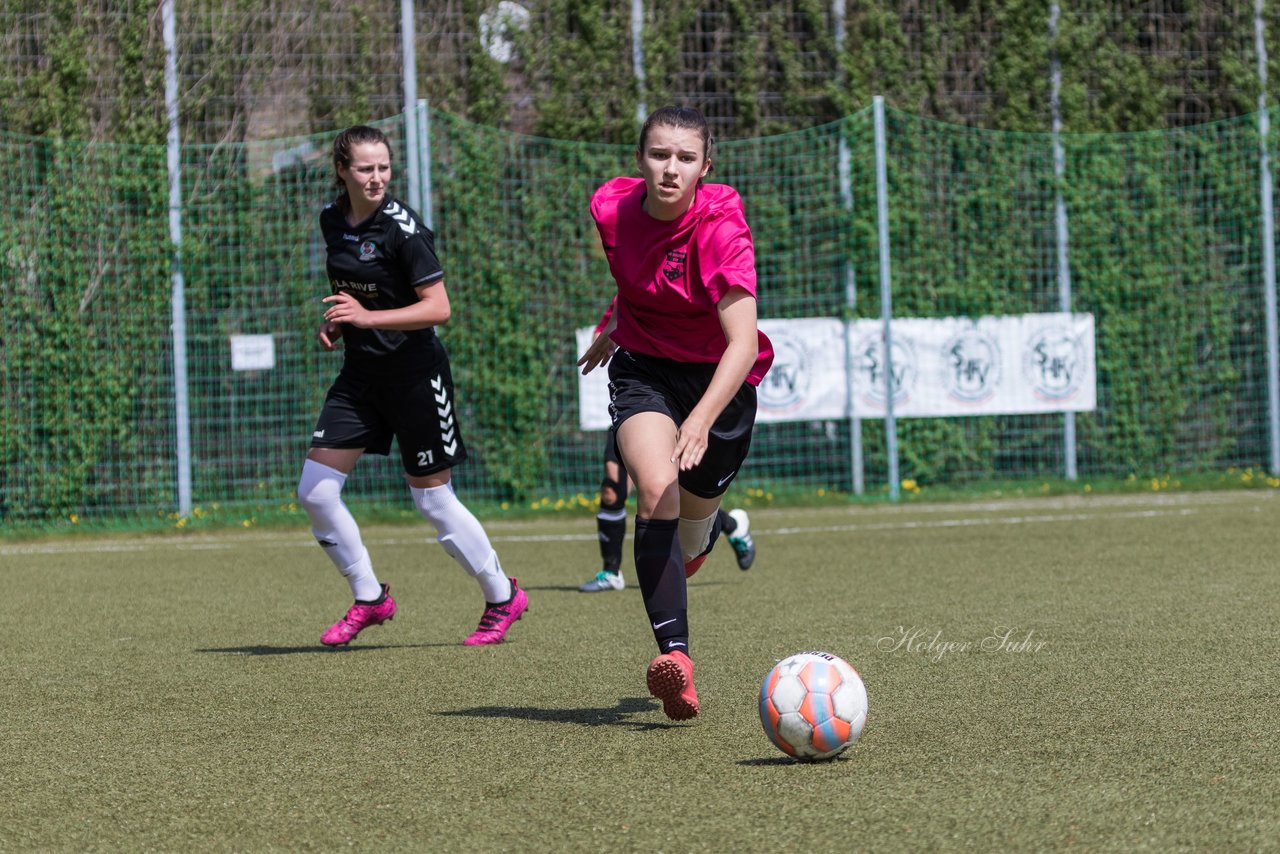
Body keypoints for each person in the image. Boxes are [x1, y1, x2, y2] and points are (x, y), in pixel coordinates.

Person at [297, 124, 528, 648]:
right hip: (361, 377)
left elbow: (438, 308)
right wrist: (341, 320)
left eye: (383, 167)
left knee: (432, 501)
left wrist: (367, 318)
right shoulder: (332, 219)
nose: (376, 178)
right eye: (365, 168)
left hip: (415, 375)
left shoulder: (404, 229)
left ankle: (502, 596)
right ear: (342, 171)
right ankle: (370, 598)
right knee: (315, 491)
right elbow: (356, 288)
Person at [577, 106, 773, 720]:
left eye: (685, 158)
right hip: (643, 369)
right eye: (660, 154)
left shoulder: (721, 226)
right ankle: (677, 662)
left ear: (704, 167)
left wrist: (700, 420)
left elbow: (742, 342)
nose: (671, 168)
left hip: (719, 387)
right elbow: (636, 271)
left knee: (692, 529)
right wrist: (616, 324)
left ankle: (711, 529)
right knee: (656, 487)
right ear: (640, 160)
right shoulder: (610, 206)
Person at [578, 429, 756, 592]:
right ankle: (611, 573)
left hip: (679, 412)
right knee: (612, 491)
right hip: (637, 405)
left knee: (670, 498)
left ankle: (731, 524)